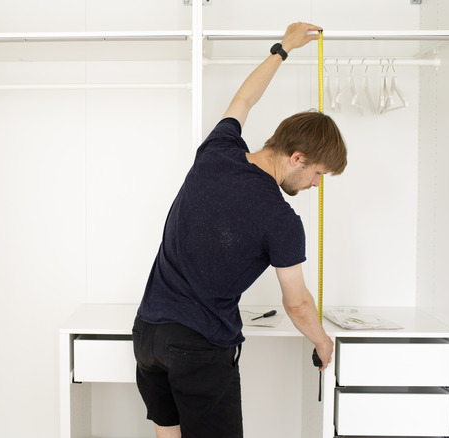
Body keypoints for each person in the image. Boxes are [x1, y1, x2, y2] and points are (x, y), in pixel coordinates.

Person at [131, 21, 347, 438]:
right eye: (318, 173)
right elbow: (298, 304)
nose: (317, 185)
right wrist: (323, 342)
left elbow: (244, 99)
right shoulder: (280, 219)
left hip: (148, 336)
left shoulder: (218, 150)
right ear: (297, 158)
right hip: (198, 347)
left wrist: (283, 49)